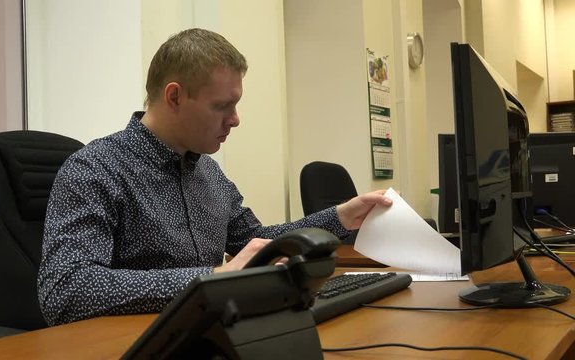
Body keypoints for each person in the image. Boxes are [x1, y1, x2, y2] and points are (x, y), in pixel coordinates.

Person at [37, 28, 392, 326]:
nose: (235, 119)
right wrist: (208, 280)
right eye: (222, 106)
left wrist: (340, 217)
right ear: (174, 97)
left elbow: (255, 243)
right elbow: (66, 289)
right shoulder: (95, 169)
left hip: (203, 333)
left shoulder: (208, 172)